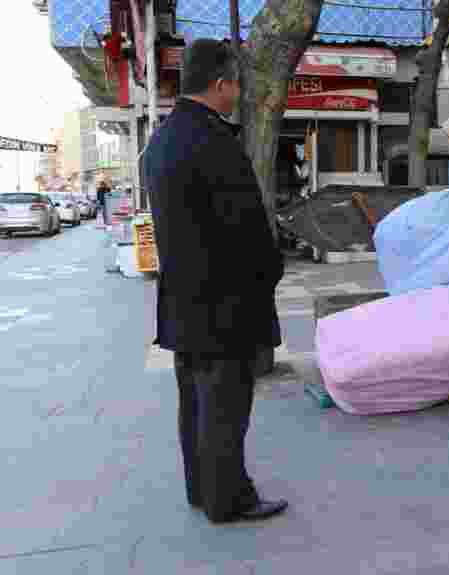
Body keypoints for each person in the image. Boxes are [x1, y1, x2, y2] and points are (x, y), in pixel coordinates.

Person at [143, 39, 288, 525]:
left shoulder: (162, 140)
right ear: (221, 83)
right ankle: (230, 499)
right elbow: (246, 229)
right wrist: (271, 271)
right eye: (235, 84)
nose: (237, 92)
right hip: (224, 303)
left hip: (183, 300)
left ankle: (201, 489)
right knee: (226, 406)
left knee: (195, 405)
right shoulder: (214, 143)